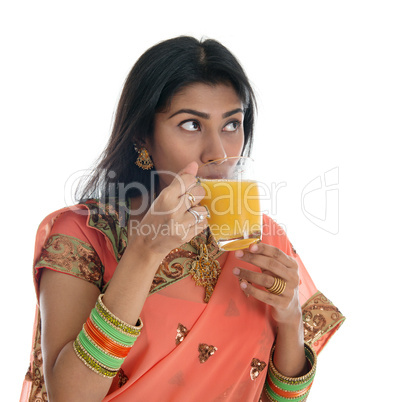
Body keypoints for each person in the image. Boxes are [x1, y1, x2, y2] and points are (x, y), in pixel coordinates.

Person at [21, 36, 345, 402]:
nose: (218, 152)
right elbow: (69, 398)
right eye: (191, 124)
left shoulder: (260, 238)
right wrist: (144, 252)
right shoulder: (85, 237)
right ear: (143, 136)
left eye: (232, 124)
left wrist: (289, 320)